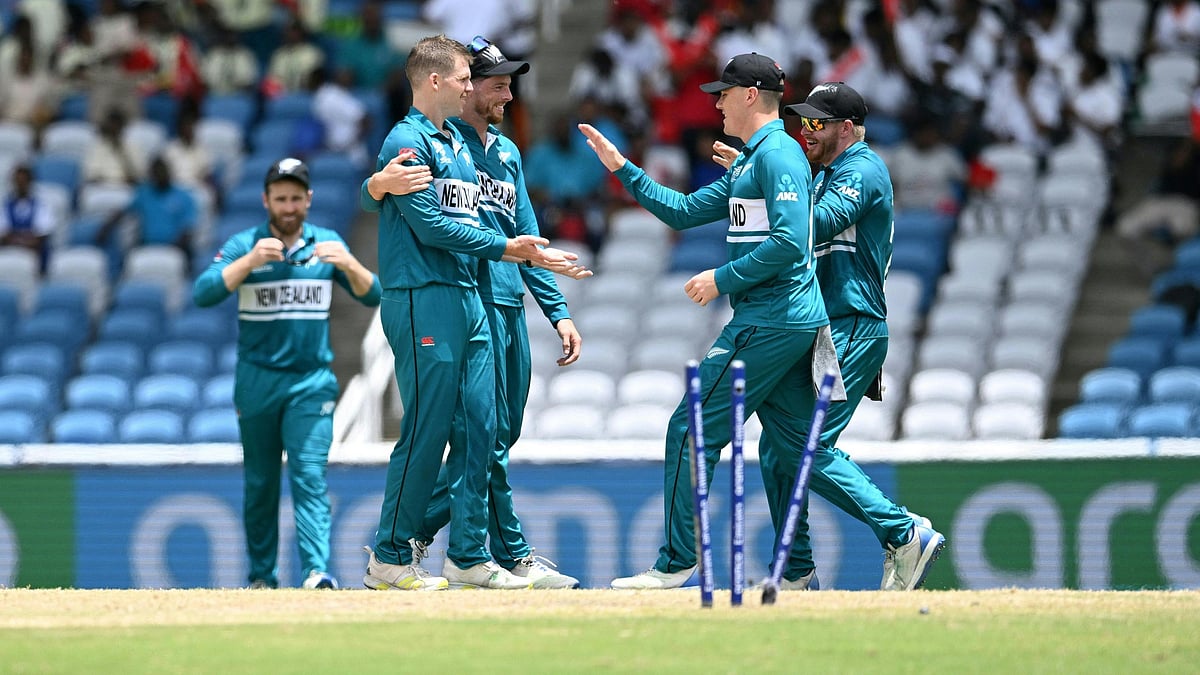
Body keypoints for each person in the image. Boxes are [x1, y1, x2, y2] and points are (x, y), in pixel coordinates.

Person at [579, 52, 834, 590]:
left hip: (771, 317)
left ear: (750, 96)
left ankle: (677, 562)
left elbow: (791, 242)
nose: (716, 104)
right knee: (792, 449)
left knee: (690, 428)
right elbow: (682, 211)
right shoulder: (756, 160)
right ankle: (876, 541)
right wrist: (622, 167)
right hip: (786, 319)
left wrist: (722, 278)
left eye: (724, 94)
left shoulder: (776, 155)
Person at [359, 34, 580, 591]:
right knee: (430, 430)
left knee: (485, 430)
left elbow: (509, 225)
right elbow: (433, 225)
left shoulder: (465, 145)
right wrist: (374, 186)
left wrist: (548, 290)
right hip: (427, 293)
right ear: (442, 81)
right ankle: (395, 552)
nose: (496, 93)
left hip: (470, 293)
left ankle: (465, 554)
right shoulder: (414, 139)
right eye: (473, 79)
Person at [723, 82, 946, 591]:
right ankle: (796, 571)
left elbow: (814, 224)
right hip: (826, 327)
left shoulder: (863, 169)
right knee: (778, 448)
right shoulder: (824, 174)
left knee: (805, 444)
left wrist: (764, 184)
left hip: (853, 323)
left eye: (815, 124)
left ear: (846, 128)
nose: (804, 131)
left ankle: (904, 532)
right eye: (802, 122)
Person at [191, 157, 383, 590]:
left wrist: (349, 264)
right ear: (266, 200)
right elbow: (203, 293)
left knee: (309, 475)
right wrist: (248, 262)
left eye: (296, 198)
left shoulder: (327, 243)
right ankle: (262, 578)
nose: (289, 207)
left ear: (309, 199)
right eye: (281, 199)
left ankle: (316, 571)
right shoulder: (245, 244)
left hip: (311, 382)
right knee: (260, 483)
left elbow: (374, 295)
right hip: (257, 381)